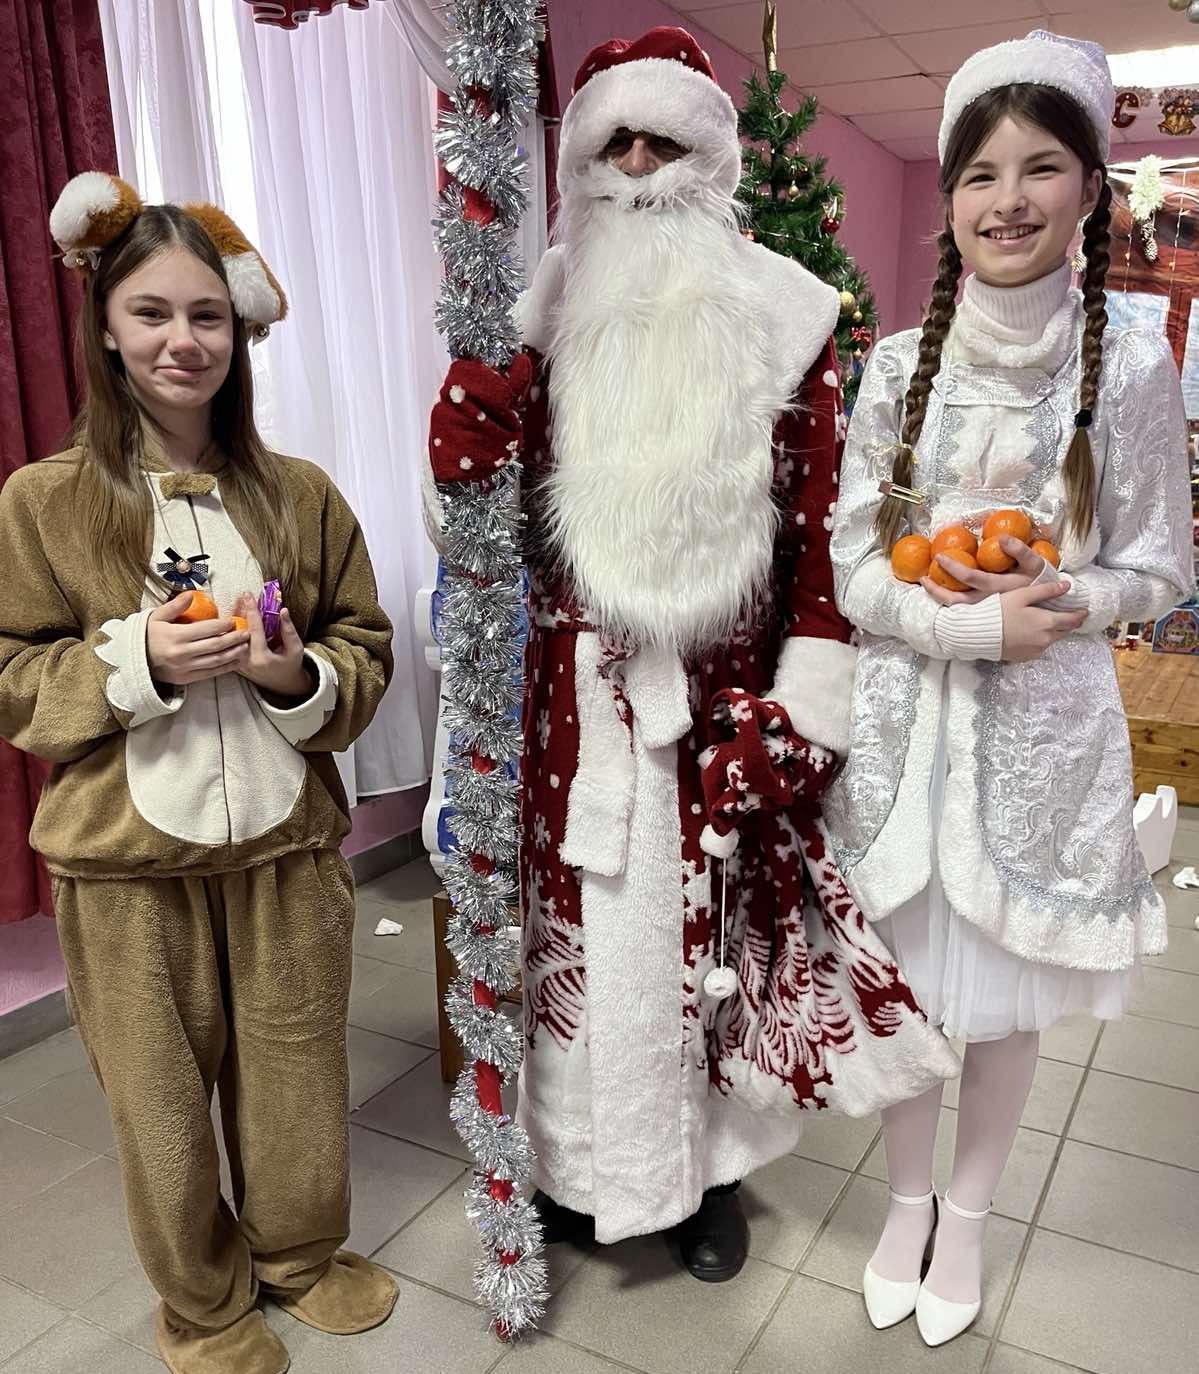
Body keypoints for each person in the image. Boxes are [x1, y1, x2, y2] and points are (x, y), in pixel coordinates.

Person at [428, 27, 956, 1282]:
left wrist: (806, 701)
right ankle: (572, 1174)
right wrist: (462, 429)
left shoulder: (786, 313)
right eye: (612, 142)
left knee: (706, 949)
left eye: (662, 139)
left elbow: (822, 531)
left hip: (721, 699)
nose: (637, 164)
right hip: (570, 705)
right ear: (579, 165)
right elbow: (474, 518)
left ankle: (704, 1180)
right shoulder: (536, 308)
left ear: (712, 159)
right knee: (575, 939)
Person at [824, 30, 1193, 1347]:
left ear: (1090, 185)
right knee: (905, 991)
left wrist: (1060, 599)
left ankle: (967, 1217)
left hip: (1039, 743)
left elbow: (1158, 568)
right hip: (901, 736)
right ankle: (904, 1203)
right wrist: (960, 626)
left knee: (1003, 1003)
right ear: (950, 198)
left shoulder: (1132, 366)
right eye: (979, 173)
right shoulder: (892, 367)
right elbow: (850, 560)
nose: (1007, 199)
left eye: (1040, 167)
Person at [0, 173, 396, 1374]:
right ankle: (205, 1307)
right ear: (108, 327)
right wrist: (138, 662)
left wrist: (293, 675)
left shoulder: (300, 496)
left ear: (239, 331)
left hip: (284, 850)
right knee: (161, 1111)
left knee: (295, 1074)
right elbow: (14, 676)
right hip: (125, 870)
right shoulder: (43, 504)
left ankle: (300, 1257)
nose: (184, 340)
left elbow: (362, 646)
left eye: (207, 315)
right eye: (154, 312)